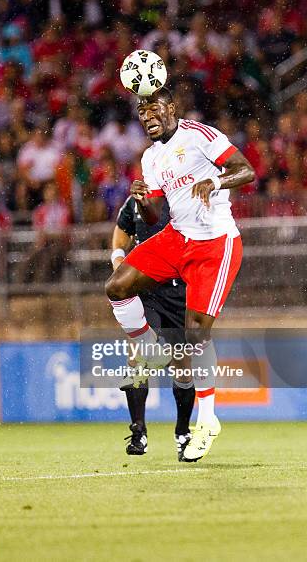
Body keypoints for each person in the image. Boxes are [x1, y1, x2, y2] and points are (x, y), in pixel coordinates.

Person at [105, 87, 255, 462]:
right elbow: (157, 215)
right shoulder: (151, 157)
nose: (147, 116)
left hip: (214, 245)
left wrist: (215, 181)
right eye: (142, 111)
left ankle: (207, 421)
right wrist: (142, 199)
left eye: (153, 107)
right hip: (177, 236)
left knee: (195, 335)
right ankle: (146, 346)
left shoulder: (199, 135)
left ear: (171, 108)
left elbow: (246, 170)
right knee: (117, 285)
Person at [112, 195, 195, 460]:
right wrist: (117, 259)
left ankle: (182, 433)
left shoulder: (185, 196)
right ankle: (138, 432)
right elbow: (121, 232)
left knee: (182, 363)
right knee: (137, 357)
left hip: (178, 290)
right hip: (145, 287)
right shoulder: (136, 199)